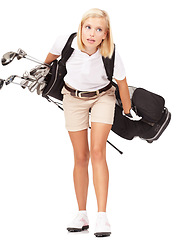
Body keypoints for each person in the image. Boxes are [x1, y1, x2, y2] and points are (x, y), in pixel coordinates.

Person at [44, 8, 140, 238]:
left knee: (98, 152)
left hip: (103, 98)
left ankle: (102, 216)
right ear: (81, 27)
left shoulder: (110, 53)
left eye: (98, 30)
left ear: (105, 34)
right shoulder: (65, 42)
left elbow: (122, 82)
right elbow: (47, 64)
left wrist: (127, 110)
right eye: (88, 27)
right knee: (81, 156)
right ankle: (81, 214)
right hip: (72, 99)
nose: (92, 33)